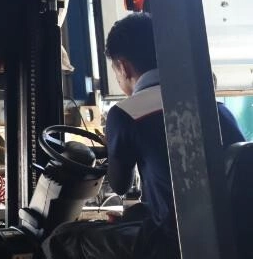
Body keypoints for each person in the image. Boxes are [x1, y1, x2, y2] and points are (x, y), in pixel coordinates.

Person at [43, 13, 244, 259]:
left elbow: (120, 184)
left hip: (171, 242)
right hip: (233, 235)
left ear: (124, 66)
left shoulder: (127, 113)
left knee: (63, 238)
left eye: (115, 70)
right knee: (135, 214)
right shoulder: (216, 108)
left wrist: (113, 148)